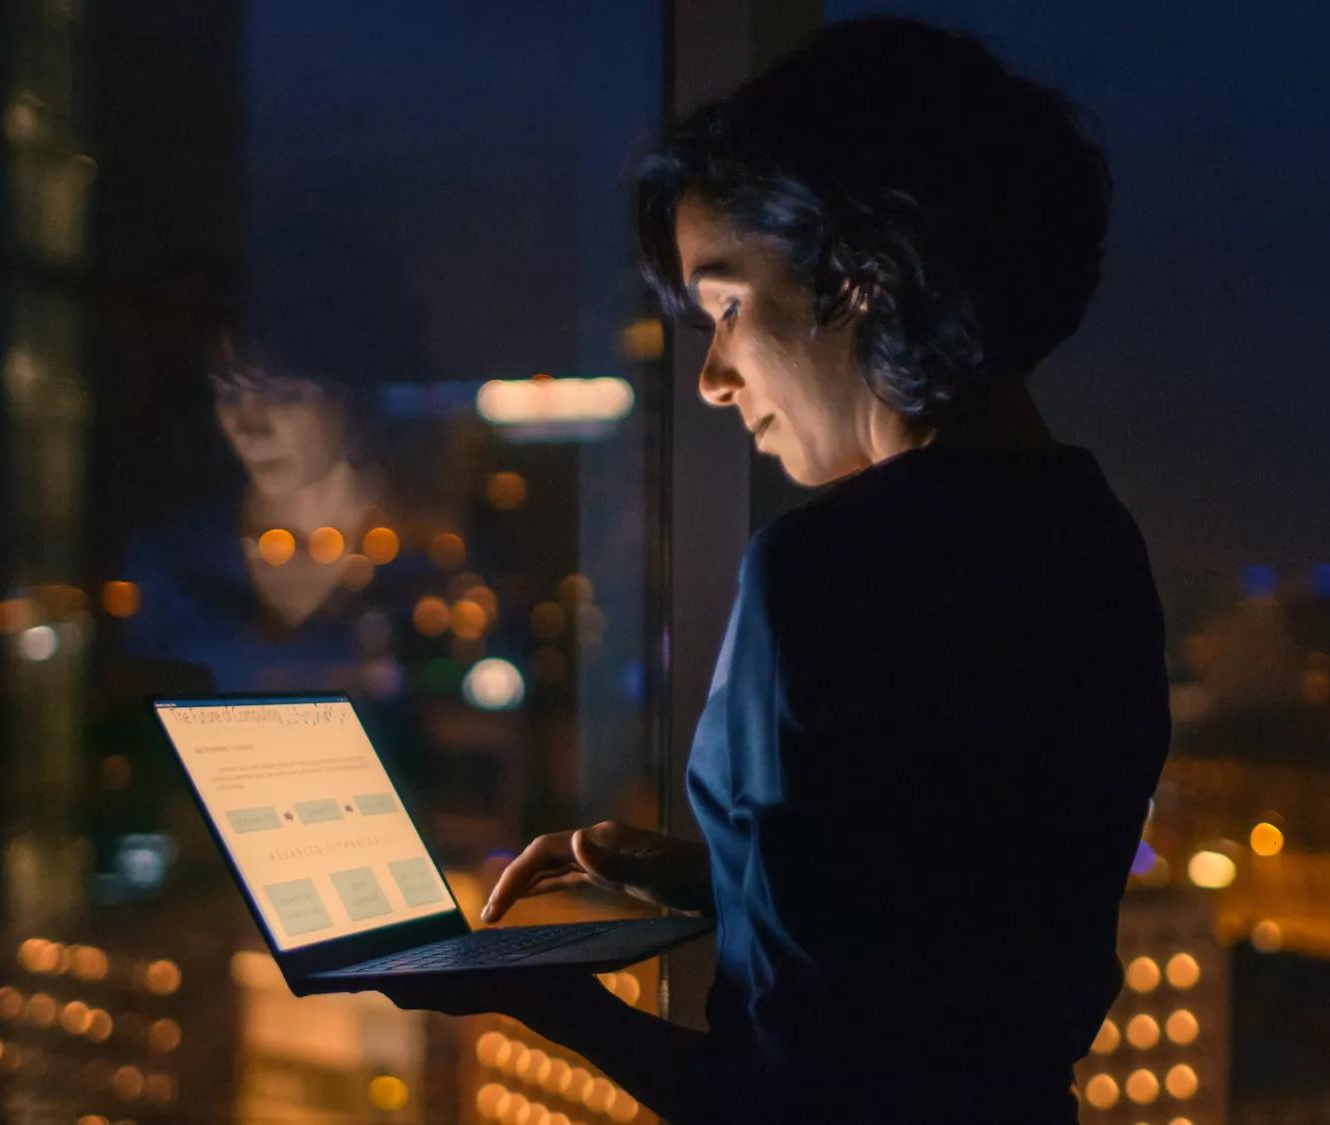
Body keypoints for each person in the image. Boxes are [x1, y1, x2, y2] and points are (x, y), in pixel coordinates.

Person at [378, 18, 1170, 1122]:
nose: (710, 378)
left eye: (727, 308)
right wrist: (729, 885)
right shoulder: (1085, 532)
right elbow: (955, 949)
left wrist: (553, 1003)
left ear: (858, 280)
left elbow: (804, 1094)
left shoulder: (829, 569)